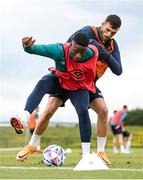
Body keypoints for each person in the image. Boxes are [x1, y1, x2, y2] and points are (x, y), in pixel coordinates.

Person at [11, 14, 122, 164]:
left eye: (113, 32)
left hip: (85, 83)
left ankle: (97, 153)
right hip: (64, 76)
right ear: (102, 24)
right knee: (48, 109)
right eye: (107, 30)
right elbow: (68, 45)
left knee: (102, 110)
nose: (109, 34)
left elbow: (118, 70)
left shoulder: (107, 48)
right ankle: (30, 142)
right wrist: (28, 46)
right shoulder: (86, 34)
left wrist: (105, 55)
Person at [16, 32, 100, 162]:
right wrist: (27, 47)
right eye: (76, 51)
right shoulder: (59, 50)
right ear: (71, 44)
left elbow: (91, 78)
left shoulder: (92, 53)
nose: (78, 55)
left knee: (83, 110)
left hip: (78, 87)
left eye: (81, 52)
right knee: (44, 86)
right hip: (60, 81)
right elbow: (36, 49)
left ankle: (86, 156)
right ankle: (24, 121)